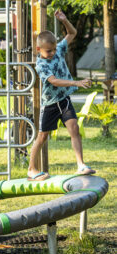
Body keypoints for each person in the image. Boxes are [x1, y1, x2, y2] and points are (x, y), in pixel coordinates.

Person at [27, 10, 95, 181]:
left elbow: (73, 33)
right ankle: (31, 169)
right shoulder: (41, 64)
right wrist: (76, 83)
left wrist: (65, 21)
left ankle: (81, 165)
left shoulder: (58, 50)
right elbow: (54, 81)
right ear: (39, 49)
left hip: (64, 101)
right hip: (50, 104)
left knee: (74, 128)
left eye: (54, 49)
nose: (52, 53)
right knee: (42, 136)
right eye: (48, 51)